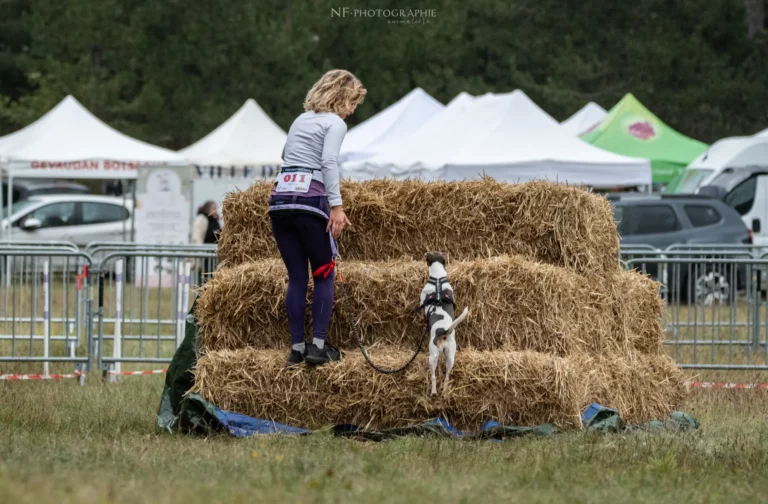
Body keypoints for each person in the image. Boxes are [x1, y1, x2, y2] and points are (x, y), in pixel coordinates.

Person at [267, 69, 366, 367]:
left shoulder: (300, 120)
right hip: (310, 203)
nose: (351, 110)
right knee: (324, 274)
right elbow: (327, 161)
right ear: (340, 96)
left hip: (280, 202)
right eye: (351, 103)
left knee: (297, 277)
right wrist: (336, 206)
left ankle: (297, 348)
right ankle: (318, 346)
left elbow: (286, 153)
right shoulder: (334, 123)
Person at [192, 200, 221, 279]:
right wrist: (200, 255)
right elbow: (197, 238)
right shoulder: (201, 219)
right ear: (207, 209)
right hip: (204, 256)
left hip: (213, 256)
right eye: (213, 208)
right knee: (203, 280)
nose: (216, 211)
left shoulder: (215, 220)